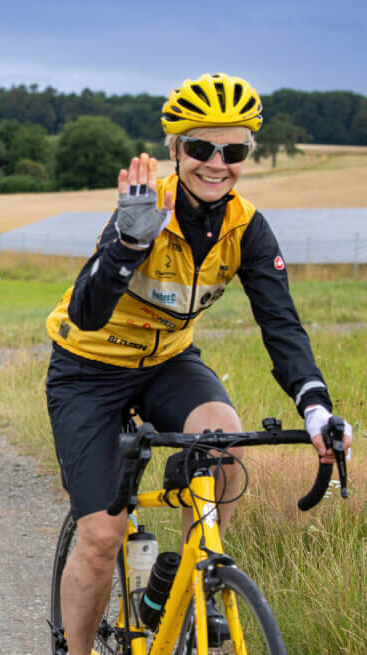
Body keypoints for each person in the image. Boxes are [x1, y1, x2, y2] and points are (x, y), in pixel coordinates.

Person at [44, 73, 353, 654]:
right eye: (201, 148)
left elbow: (280, 322)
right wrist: (127, 245)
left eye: (233, 151)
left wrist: (315, 407)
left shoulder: (245, 226)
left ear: (247, 155)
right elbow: (86, 313)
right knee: (103, 536)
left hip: (167, 360)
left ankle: (199, 581)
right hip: (88, 369)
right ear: (175, 151)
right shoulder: (143, 210)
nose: (217, 163)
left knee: (227, 445)